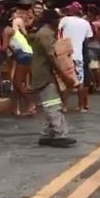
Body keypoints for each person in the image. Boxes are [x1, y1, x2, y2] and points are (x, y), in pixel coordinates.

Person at [29, 8, 76, 147]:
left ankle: (47, 134)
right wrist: (64, 75)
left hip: (47, 74)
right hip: (45, 75)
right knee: (53, 105)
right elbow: (52, 57)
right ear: (52, 20)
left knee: (52, 103)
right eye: (58, 18)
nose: (60, 21)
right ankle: (59, 134)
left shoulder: (49, 33)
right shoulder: (45, 34)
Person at [58, 2, 93, 112]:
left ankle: (64, 106)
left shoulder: (65, 20)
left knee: (65, 81)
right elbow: (89, 38)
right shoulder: (85, 23)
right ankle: (81, 107)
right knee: (80, 81)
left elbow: (58, 31)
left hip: (65, 55)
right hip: (78, 56)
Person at [2, 12, 36, 116]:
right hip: (27, 53)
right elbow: (12, 47)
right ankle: (15, 108)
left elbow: (4, 47)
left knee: (17, 82)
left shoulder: (6, 31)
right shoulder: (14, 31)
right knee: (17, 83)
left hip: (23, 55)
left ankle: (30, 103)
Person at [87, 5, 100, 92]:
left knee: (94, 67)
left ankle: (96, 84)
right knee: (98, 66)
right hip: (98, 45)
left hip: (91, 46)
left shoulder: (92, 24)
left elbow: (91, 35)